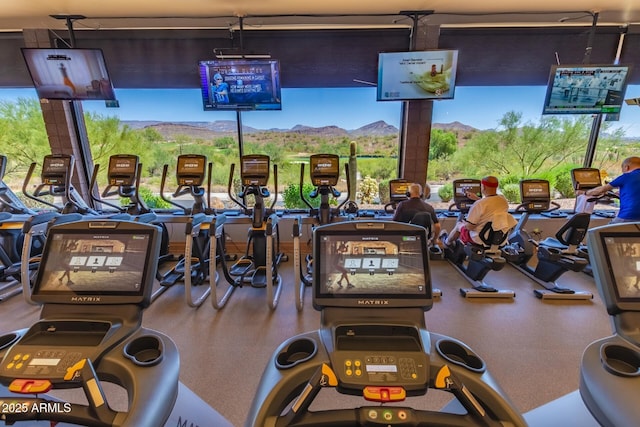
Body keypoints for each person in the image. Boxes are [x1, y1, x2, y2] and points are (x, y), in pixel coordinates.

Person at [441, 176, 516, 247]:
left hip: (479, 239)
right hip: (498, 238)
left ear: (483, 187)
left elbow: (470, 227)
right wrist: (477, 198)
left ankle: (446, 243)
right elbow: (490, 204)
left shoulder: (479, 204)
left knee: (459, 225)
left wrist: (465, 223)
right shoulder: (503, 201)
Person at [584, 157, 640, 223]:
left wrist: (585, 193)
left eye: (622, 170)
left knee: (603, 232)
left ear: (626, 167)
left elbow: (602, 189)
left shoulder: (627, 176)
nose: (623, 172)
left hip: (629, 215)